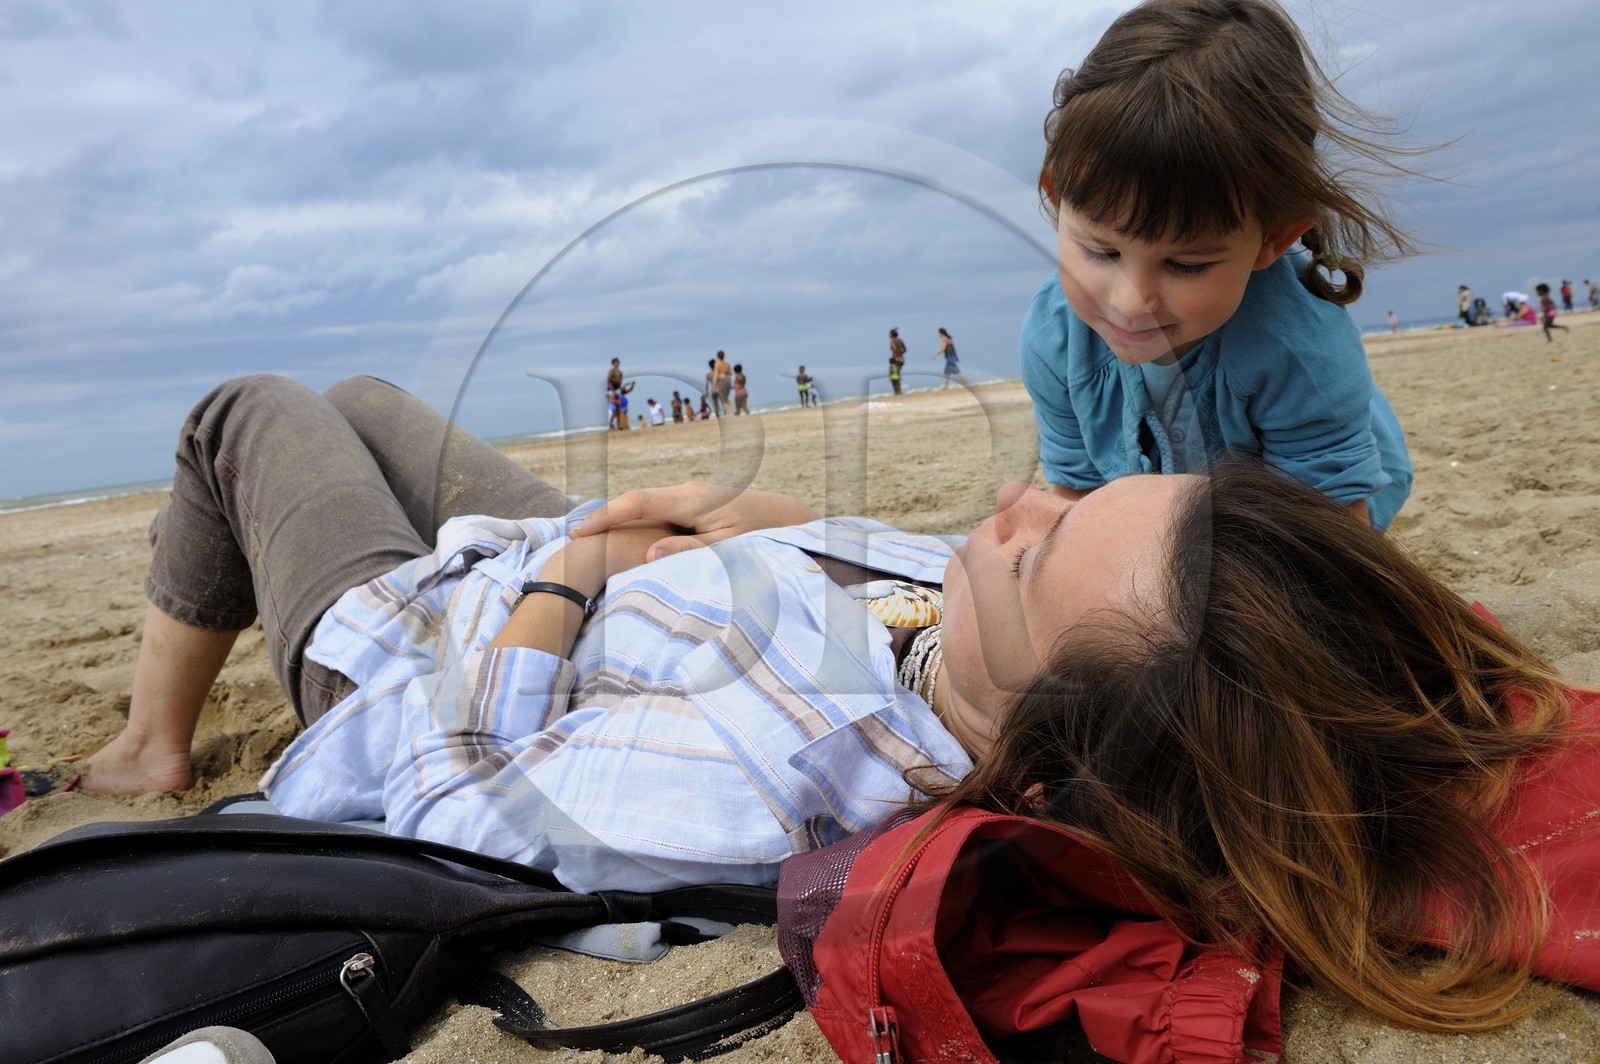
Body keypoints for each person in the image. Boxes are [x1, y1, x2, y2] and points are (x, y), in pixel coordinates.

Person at [83, 375, 1600, 1036]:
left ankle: (154, 741)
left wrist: (579, 569)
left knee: (254, 413)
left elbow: (456, 803)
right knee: (365, 398)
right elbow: (903, 568)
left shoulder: (774, 773)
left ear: (1051, 753)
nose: (1008, 503)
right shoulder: (1018, 648)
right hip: (648, 566)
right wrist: (735, 523)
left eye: (1038, 545)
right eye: (1070, 497)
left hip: (432, 641)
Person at [1020, 0, 1414, 532]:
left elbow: (1332, 548)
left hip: (1327, 491)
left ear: (1273, 239)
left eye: (1184, 264)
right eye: (1102, 252)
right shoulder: (1054, 337)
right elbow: (1076, 497)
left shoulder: (1298, 350)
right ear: (1057, 196)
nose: (1130, 302)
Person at [713, 351, 734, 416]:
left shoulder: (717, 363)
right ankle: (734, 408)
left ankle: (727, 413)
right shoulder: (727, 364)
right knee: (726, 397)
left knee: (722, 397)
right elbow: (730, 373)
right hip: (728, 379)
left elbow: (716, 374)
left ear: (717, 356)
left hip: (722, 380)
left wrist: (714, 383)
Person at [888, 328, 907, 395]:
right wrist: (900, 355)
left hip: (896, 359)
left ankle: (897, 392)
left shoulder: (892, 340)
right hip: (902, 359)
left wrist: (896, 357)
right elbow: (905, 349)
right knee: (896, 375)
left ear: (891, 335)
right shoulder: (900, 340)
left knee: (893, 376)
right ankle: (899, 391)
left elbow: (895, 348)